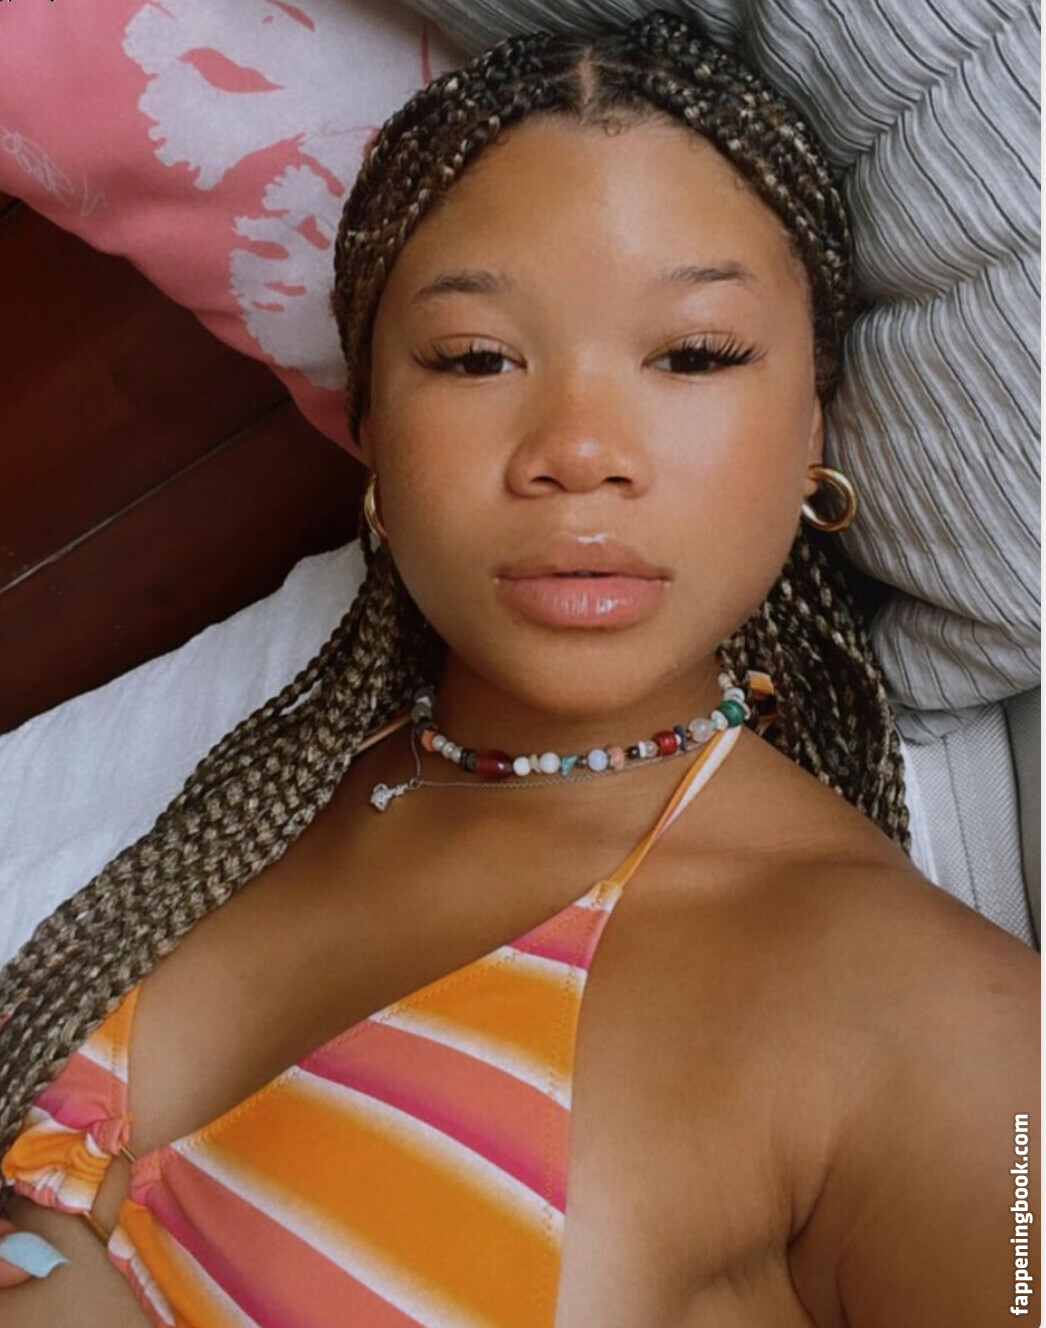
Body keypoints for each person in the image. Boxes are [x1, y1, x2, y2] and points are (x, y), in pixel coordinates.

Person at [0, 10, 1037, 1326]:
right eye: (477, 357)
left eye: (694, 353)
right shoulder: (265, 788)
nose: (578, 449)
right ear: (374, 425)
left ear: (812, 426)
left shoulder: (935, 1029)